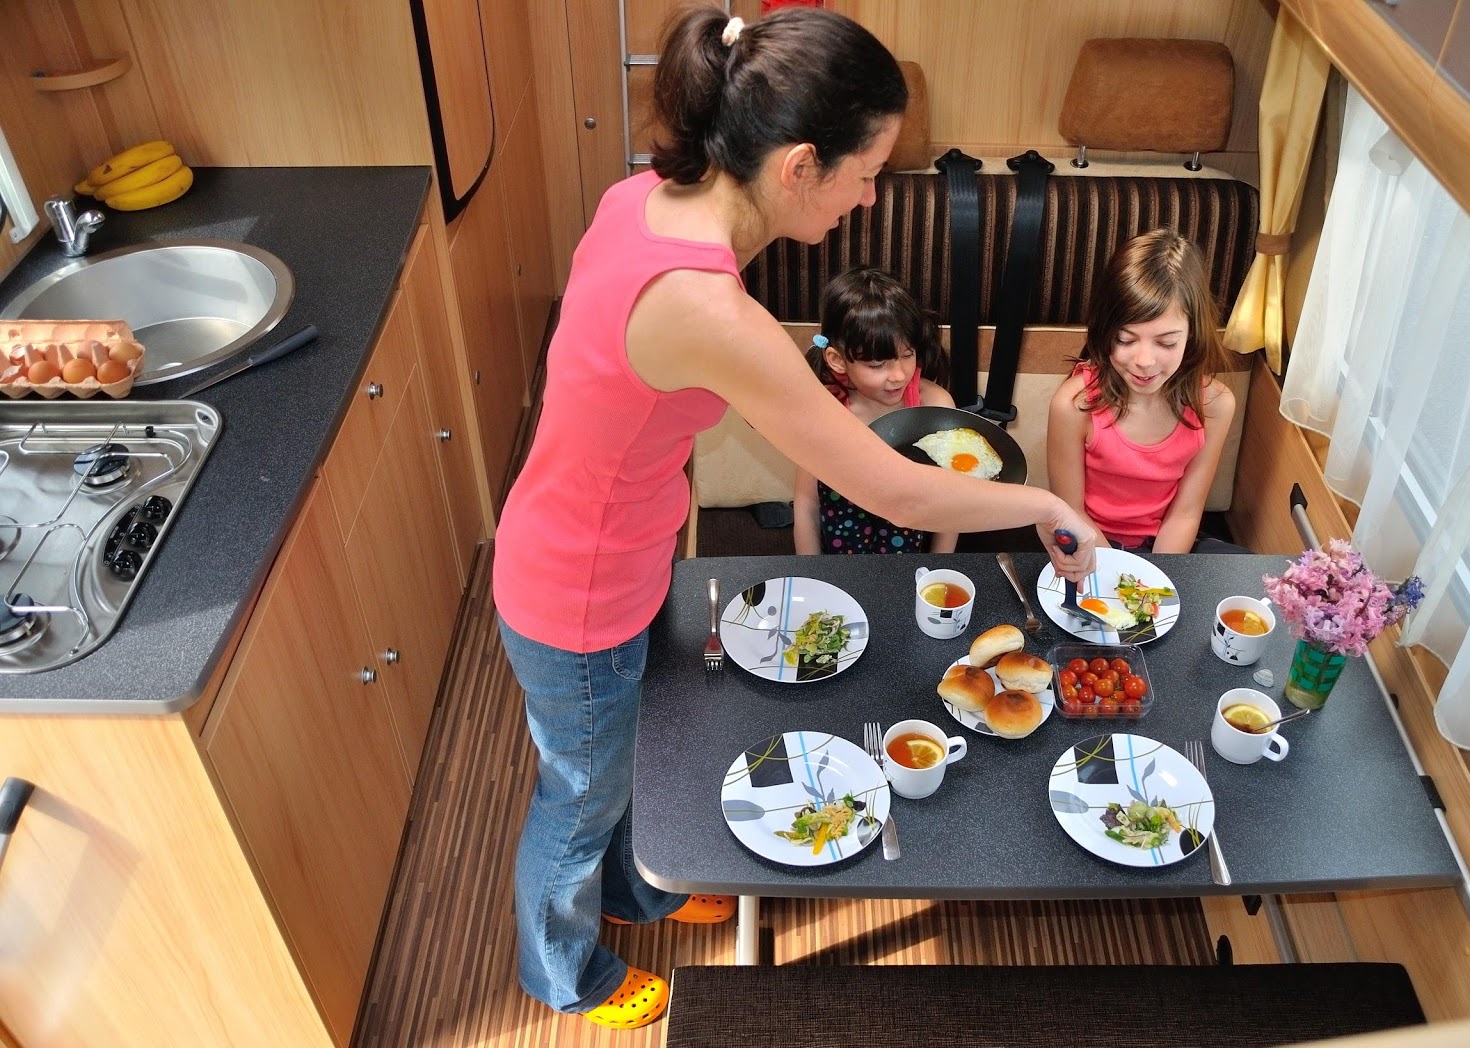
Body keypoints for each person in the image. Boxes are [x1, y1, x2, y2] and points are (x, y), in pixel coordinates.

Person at [492, 5, 1096, 1031]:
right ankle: (561, 967)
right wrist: (1040, 497)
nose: (868, 199)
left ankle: (638, 892)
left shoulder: (643, 197)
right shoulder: (709, 313)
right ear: (801, 164)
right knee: (580, 789)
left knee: (628, 752)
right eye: (867, 174)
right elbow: (893, 487)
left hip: (610, 547)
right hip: (574, 588)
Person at [1045, 227, 1244, 555]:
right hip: (1088, 544)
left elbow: (1185, 512)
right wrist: (1121, 577)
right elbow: (1072, 512)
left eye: (1167, 342)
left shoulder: (1215, 405)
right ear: (1105, 331)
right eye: (1125, 340)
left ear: (1192, 335)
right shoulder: (1074, 405)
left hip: (1167, 547)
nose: (1145, 362)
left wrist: (1154, 582)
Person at [794, 267, 959, 554]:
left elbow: (953, 501)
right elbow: (807, 502)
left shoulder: (935, 406)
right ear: (837, 359)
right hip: (839, 551)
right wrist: (810, 575)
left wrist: (940, 567)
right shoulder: (824, 409)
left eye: (907, 355)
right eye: (877, 364)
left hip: (907, 554)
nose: (898, 375)